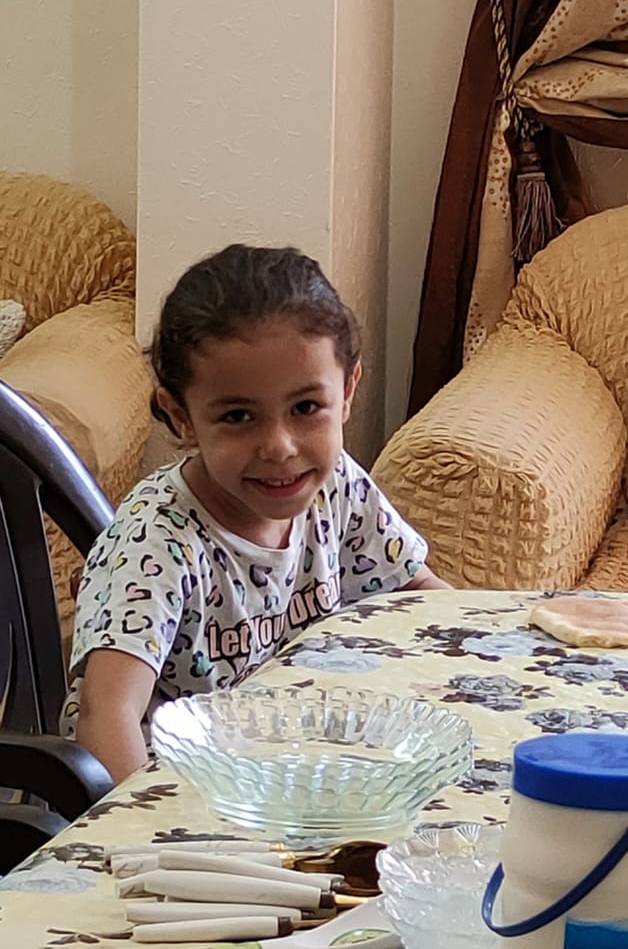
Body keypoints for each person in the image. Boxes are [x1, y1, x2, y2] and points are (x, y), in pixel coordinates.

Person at [63, 244, 449, 783]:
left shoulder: (338, 487)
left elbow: (423, 599)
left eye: (306, 408)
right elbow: (109, 714)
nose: (280, 446)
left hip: (301, 778)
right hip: (178, 806)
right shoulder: (155, 543)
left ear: (348, 390)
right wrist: (151, 845)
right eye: (239, 416)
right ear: (182, 418)